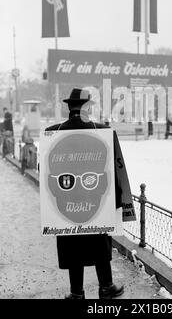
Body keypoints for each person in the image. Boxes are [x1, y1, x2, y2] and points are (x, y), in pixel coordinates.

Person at [45, 88, 124, 300]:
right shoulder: (102, 132)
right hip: (94, 200)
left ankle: (76, 292)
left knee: (73, 246)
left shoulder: (52, 133)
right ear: (87, 107)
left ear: (69, 107)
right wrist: (116, 198)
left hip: (67, 202)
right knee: (99, 242)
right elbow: (111, 171)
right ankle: (106, 287)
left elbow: (44, 171)